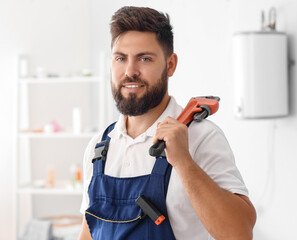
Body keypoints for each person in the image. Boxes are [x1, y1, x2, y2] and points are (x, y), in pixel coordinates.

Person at [78, 6, 256, 240]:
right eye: (121, 58)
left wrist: (183, 161)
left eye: (144, 58)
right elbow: (90, 232)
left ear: (170, 65)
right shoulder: (99, 147)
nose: (130, 71)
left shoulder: (201, 138)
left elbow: (239, 233)